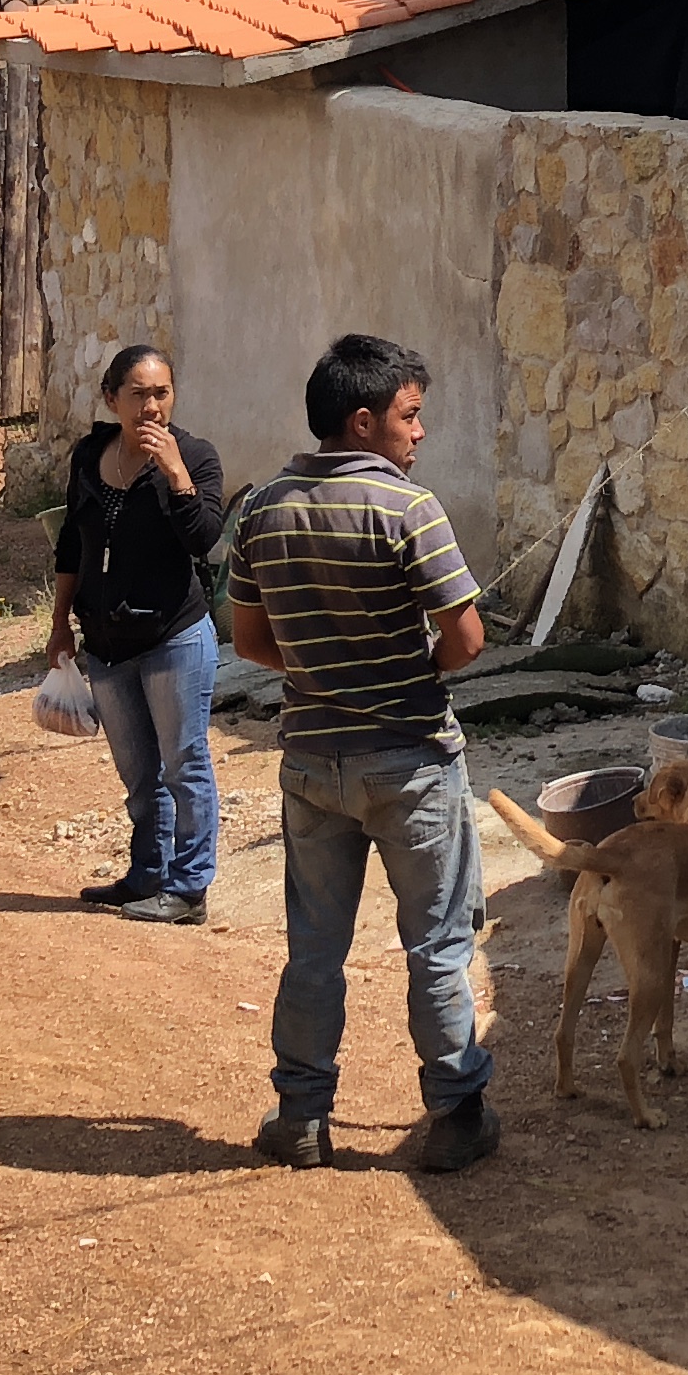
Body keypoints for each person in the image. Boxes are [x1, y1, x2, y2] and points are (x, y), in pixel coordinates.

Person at [223, 333, 494, 1174]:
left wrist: (322, 668)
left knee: (313, 948)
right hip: (410, 761)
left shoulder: (261, 508)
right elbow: (468, 640)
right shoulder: (410, 509)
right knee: (438, 943)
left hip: (311, 764)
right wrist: (410, 667)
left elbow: (250, 639)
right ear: (365, 420)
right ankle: (454, 1111)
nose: (420, 434)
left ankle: (301, 1116)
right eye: (411, 417)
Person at [47, 344, 228, 925]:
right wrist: (59, 625)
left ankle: (190, 887)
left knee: (185, 763)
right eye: (139, 395)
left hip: (174, 637)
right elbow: (72, 546)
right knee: (138, 773)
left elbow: (204, 539)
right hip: (104, 643)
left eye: (162, 393)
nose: (152, 407)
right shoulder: (89, 455)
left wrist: (176, 475)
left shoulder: (196, 456)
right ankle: (148, 874)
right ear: (111, 399)